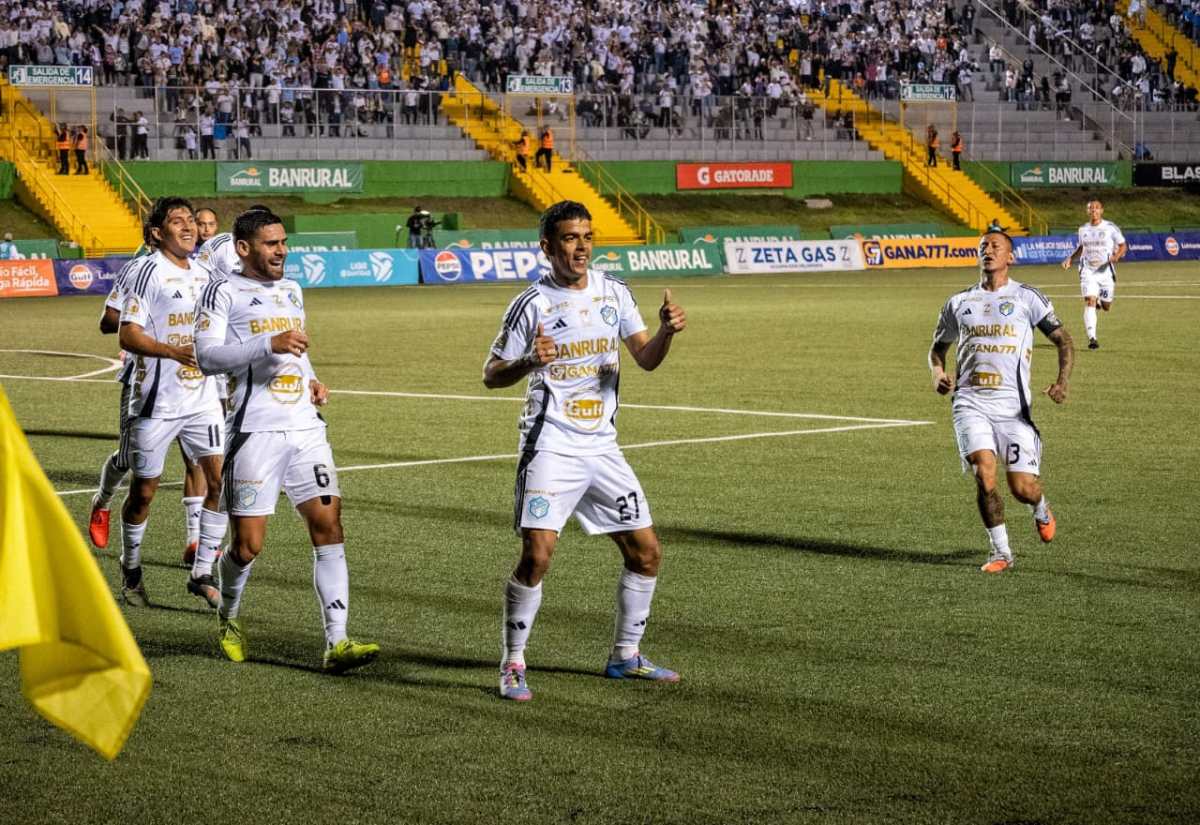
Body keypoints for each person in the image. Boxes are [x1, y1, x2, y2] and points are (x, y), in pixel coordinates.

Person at [481, 200, 687, 701]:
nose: (581, 247)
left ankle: (625, 656)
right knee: (537, 555)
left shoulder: (614, 292)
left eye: (587, 237)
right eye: (571, 239)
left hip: (603, 448)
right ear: (548, 247)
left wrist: (665, 332)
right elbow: (491, 374)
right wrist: (530, 360)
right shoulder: (531, 303)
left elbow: (646, 358)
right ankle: (512, 663)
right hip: (550, 444)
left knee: (647, 552)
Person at [193, 208, 380, 674]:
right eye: (271, 244)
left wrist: (312, 378)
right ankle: (229, 616)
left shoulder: (292, 289)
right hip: (254, 433)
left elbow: (298, 349)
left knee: (328, 527)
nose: (281, 251)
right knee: (248, 547)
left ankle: (336, 642)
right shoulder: (221, 291)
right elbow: (206, 356)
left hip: (305, 428)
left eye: (282, 242)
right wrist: (267, 345)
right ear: (243, 248)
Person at [928, 230, 1074, 574]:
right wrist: (938, 374)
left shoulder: (1027, 298)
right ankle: (1001, 552)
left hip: (1013, 409)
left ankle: (1039, 505)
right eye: (983, 246)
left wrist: (1062, 382)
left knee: (1022, 487)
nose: (988, 250)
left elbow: (1063, 340)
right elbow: (937, 349)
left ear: (1010, 257)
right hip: (970, 402)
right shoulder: (959, 303)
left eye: (996, 246)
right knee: (984, 473)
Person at [113, 198, 226, 608]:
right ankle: (131, 567)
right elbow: (127, 335)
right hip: (156, 401)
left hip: (203, 398)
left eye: (191, 221)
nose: (188, 227)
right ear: (158, 233)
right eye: (176, 221)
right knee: (144, 492)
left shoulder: (207, 272)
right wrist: (171, 351)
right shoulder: (146, 272)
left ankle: (202, 572)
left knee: (220, 482)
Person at [1061, 200, 1126, 350]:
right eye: (1091, 208)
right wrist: (1070, 258)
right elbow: (1081, 247)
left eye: (1097, 208)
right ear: (1087, 211)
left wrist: (1117, 256)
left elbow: (1123, 245)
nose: (1094, 211)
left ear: (1102, 210)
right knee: (1089, 301)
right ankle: (1092, 338)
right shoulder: (1083, 229)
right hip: (1088, 270)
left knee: (1106, 306)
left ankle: (1100, 302)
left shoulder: (1110, 228)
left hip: (1105, 272)